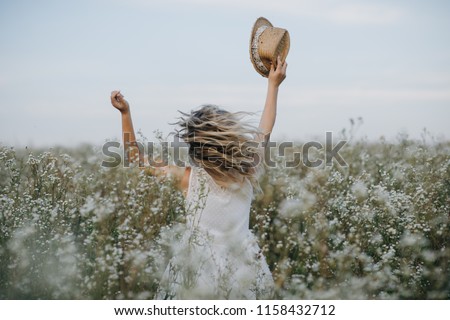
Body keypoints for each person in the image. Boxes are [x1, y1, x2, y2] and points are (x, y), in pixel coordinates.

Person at [110, 56, 287, 299]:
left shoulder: (187, 179)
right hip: (243, 267)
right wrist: (273, 85)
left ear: (197, 149)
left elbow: (135, 157)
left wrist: (125, 113)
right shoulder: (248, 172)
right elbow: (265, 127)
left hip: (195, 268)